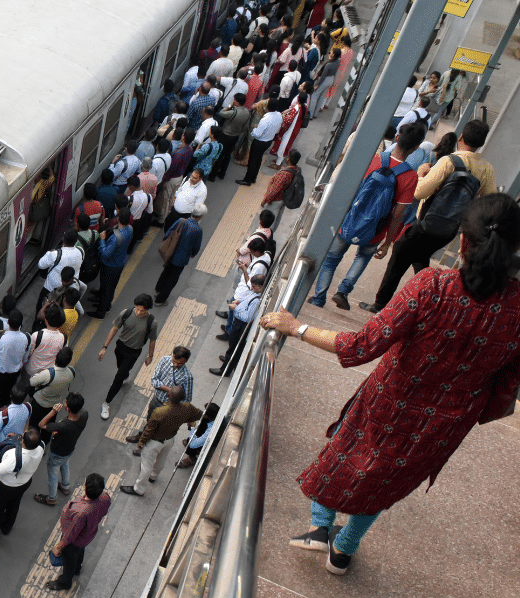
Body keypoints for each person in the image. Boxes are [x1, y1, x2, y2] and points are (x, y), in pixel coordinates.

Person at [261, 194, 520, 574]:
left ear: (461, 241)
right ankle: (344, 549)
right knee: (389, 475)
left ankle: (320, 525)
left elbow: (361, 345)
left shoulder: (432, 285)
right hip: (446, 421)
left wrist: (296, 327)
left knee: (347, 452)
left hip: (391, 398)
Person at [362, 120, 497, 314]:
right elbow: (490, 201)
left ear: (461, 138)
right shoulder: (486, 169)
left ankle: (381, 304)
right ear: (481, 143)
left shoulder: (448, 161)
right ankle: (430, 304)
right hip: (449, 230)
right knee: (420, 258)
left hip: (426, 224)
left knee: (400, 253)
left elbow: (419, 193)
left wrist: (421, 174)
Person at [309, 123, 423, 309]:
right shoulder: (411, 177)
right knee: (362, 257)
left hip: (349, 220)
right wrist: (388, 241)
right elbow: (398, 214)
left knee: (331, 259)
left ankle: (319, 298)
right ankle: (343, 291)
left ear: (397, 138)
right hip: (376, 229)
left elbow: (351, 190)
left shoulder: (374, 159)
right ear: (416, 147)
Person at [121, 386, 203, 496]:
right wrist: (188, 421)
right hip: (170, 439)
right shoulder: (187, 407)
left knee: (146, 466)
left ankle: (139, 489)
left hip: (155, 442)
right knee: (161, 459)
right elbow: (198, 414)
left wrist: (141, 443)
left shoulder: (160, 412)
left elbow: (149, 431)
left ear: (168, 395)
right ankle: (153, 476)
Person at [96, 294, 158, 420]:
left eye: (143, 310)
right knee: (121, 367)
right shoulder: (127, 313)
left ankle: (106, 403)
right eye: (137, 309)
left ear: (148, 309)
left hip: (134, 352)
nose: (139, 312)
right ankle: (124, 374)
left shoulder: (152, 322)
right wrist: (104, 347)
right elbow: (114, 328)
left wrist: (150, 356)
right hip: (120, 347)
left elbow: (152, 340)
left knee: (118, 377)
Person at [46, 473, 111, 590]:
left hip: (74, 542)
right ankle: (77, 568)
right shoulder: (105, 498)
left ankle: (64, 583)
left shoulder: (80, 513)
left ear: (85, 487)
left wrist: (58, 548)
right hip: (87, 535)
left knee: (69, 561)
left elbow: (69, 536)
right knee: (80, 552)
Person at [0, 429, 44, 540]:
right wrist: (17, 436)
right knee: (14, 504)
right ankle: (7, 527)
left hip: (6, 486)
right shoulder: (41, 446)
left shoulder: (14, 456)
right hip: (25, 482)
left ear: (23, 440)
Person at [126, 347, 194, 443]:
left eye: (179, 363)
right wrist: (171, 390)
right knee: (150, 420)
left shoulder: (187, 377)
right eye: (174, 361)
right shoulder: (165, 360)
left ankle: (145, 442)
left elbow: (187, 399)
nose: (175, 364)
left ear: (185, 361)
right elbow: (154, 380)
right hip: (156, 400)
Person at [34, 393, 87, 504]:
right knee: (65, 464)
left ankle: (51, 498)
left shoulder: (63, 425)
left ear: (67, 407)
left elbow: (41, 424)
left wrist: (53, 411)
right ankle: (65, 486)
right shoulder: (84, 415)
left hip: (57, 452)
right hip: (69, 449)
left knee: (53, 474)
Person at [210, 275, 265, 376]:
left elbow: (247, 318)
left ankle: (225, 370)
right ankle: (229, 360)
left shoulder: (257, 300)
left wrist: (236, 308)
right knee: (232, 345)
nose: (252, 288)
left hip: (241, 326)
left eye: (254, 286)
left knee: (235, 348)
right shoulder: (255, 294)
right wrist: (239, 301)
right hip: (238, 324)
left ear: (260, 287)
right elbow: (247, 300)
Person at [154, 205, 206, 304]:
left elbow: (168, 233)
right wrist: (193, 254)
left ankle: (158, 289)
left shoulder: (181, 221)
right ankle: (160, 300)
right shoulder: (198, 230)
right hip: (181, 259)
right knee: (172, 279)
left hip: (170, 252)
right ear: (200, 216)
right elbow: (196, 247)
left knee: (166, 271)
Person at [89, 210, 134, 319]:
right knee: (111, 286)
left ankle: (101, 312)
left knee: (106, 288)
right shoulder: (130, 229)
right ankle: (107, 305)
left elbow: (106, 253)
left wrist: (102, 240)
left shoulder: (116, 238)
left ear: (118, 219)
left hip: (109, 265)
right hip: (119, 262)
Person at [0, 309, 30, 409]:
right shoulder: (27, 337)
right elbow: (25, 356)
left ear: (8, 322)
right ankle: (6, 408)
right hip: (14, 374)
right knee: (9, 393)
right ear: (21, 323)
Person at [238, 97, 284, 185]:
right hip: (268, 141)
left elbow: (257, 134)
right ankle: (253, 177)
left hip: (259, 141)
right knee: (258, 159)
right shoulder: (278, 115)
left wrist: (255, 128)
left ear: (267, 107)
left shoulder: (265, 119)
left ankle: (247, 180)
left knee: (252, 161)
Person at [28, 347, 74, 432]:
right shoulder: (72, 372)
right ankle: (44, 441)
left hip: (39, 403)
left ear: (56, 357)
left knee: (34, 425)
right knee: (48, 426)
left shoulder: (48, 374)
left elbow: (31, 382)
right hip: (54, 406)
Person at [211, 94, 252, 180]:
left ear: (236, 102)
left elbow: (221, 113)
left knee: (220, 155)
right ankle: (222, 173)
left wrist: (230, 106)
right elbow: (245, 127)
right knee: (227, 155)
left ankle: (213, 175)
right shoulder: (247, 113)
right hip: (235, 136)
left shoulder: (234, 112)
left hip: (226, 135)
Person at [0, 386, 30, 458]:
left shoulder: (2, 415)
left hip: (1, 444)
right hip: (17, 441)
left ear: (10, 395)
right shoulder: (28, 406)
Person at [261, 149, 300, 231]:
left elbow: (275, 190)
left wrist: (265, 200)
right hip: (284, 198)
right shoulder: (296, 170)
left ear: (288, 159)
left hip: (276, 200)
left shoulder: (284, 174)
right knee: (275, 219)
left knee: (267, 221)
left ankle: (265, 237)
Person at [269, 92, 306, 168]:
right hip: (295, 130)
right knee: (286, 145)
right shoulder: (303, 107)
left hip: (289, 131)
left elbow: (287, 121)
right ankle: (279, 161)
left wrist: (283, 116)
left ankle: (278, 164)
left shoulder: (296, 109)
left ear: (298, 99)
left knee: (284, 145)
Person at [180, 403, 222, 468]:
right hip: (207, 431)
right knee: (203, 422)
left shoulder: (210, 430)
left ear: (207, 415)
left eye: (205, 411)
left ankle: (192, 459)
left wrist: (192, 428)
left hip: (210, 440)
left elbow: (193, 444)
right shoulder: (217, 416)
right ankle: (196, 439)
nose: (203, 412)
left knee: (190, 443)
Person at [308, 47, 341, 119]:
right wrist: (330, 58)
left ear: (334, 54)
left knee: (314, 96)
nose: (330, 53)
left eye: (332, 52)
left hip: (325, 80)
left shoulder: (328, 64)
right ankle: (315, 114)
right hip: (331, 79)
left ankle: (310, 115)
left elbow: (323, 76)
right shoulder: (337, 62)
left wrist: (317, 85)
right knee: (322, 96)